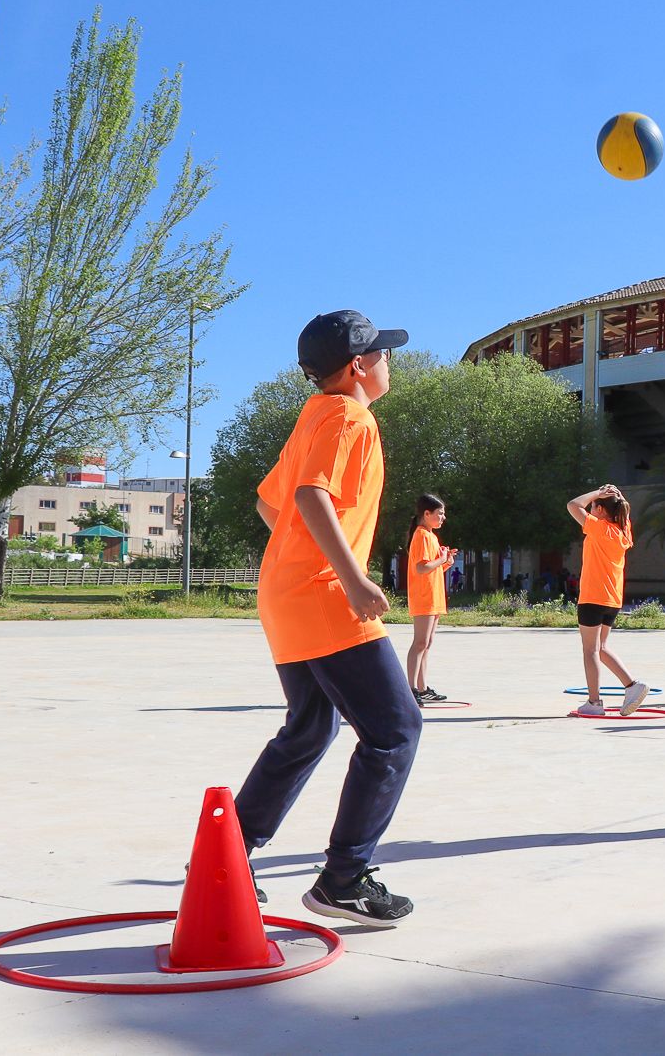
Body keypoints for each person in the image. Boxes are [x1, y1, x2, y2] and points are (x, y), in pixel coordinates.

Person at [234, 310, 419, 927]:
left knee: (309, 729)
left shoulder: (313, 414)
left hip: (284, 595)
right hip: (322, 596)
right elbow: (311, 496)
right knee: (395, 729)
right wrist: (351, 576)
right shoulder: (348, 416)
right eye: (383, 354)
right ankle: (344, 877)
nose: (390, 363)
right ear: (359, 367)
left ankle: (228, 855)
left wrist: (299, 551)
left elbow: (270, 502)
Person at [568, 484, 645, 716]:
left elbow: (572, 505)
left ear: (601, 509)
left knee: (590, 649)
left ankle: (594, 703)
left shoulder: (599, 528)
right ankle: (632, 686)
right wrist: (616, 497)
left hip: (593, 596)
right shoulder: (623, 531)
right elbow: (623, 513)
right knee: (600, 648)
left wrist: (597, 494)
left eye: (594, 506)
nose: (590, 509)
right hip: (612, 599)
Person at [405, 494, 457, 706]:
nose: (443, 517)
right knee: (419, 643)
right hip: (424, 597)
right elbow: (421, 567)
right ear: (426, 514)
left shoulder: (431, 536)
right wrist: (441, 559)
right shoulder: (422, 535)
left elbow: (432, 567)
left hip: (433, 596)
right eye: (439, 513)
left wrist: (446, 562)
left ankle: (423, 687)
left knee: (426, 644)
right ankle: (411, 689)